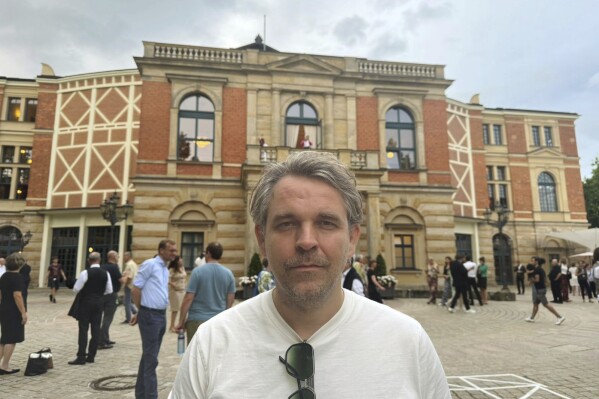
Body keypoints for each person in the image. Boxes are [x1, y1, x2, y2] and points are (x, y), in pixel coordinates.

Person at [170, 151, 450, 398]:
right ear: (262, 238)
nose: (306, 241)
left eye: (326, 223)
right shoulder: (211, 343)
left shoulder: (407, 341)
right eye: (286, 223)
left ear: (352, 239)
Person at [131, 239, 178, 399]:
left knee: (148, 357)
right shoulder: (150, 264)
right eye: (171, 250)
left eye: (175, 250)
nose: (174, 253)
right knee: (151, 360)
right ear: (161, 251)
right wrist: (141, 310)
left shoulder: (164, 268)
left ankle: (141, 394)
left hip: (160, 315)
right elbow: (136, 289)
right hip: (150, 315)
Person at [176, 242, 235, 345]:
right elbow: (230, 299)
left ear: (208, 253)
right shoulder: (228, 273)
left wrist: (181, 321)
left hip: (197, 320)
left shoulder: (197, 272)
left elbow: (188, 298)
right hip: (218, 320)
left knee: (195, 355)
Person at [68, 252, 113, 365]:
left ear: (89, 260)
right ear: (99, 260)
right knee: (96, 329)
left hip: (86, 302)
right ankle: (91, 356)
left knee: (83, 329)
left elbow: (76, 289)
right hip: (98, 303)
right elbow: (109, 290)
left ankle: (81, 356)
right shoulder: (105, 273)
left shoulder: (85, 273)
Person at [0, 253, 27, 374]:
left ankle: (2, 364)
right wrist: (23, 312)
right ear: (20, 265)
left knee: (4, 338)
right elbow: (17, 296)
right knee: (11, 338)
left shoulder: (4, 276)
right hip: (13, 310)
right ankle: (4, 366)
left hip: (4, 308)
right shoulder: (18, 277)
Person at [524, 256, 565, 325]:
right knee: (535, 303)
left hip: (540, 289)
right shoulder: (540, 269)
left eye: (532, 261)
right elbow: (544, 279)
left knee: (546, 304)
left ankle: (559, 317)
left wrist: (531, 280)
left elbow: (537, 280)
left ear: (536, 262)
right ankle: (532, 318)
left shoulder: (537, 270)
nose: (531, 262)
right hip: (539, 289)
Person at [99, 250, 121, 349]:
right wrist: (127, 275)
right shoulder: (114, 267)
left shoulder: (102, 266)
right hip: (112, 295)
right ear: (113, 257)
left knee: (104, 318)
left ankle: (106, 338)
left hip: (102, 294)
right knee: (108, 318)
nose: (118, 257)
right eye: (117, 256)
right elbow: (121, 280)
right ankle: (102, 341)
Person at [168, 256, 187, 333]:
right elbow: (167, 279)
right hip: (175, 291)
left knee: (183, 308)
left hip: (182, 290)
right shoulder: (172, 270)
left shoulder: (182, 268)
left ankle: (180, 325)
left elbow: (184, 277)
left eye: (182, 261)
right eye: (179, 261)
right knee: (175, 309)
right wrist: (173, 285)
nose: (181, 262)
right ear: (176, 262)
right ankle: (171, 326)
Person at [120, 252, 138, 323]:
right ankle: (135, 312)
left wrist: (126, 284)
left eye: (125, 256)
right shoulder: (134, 264)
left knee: (126, 302)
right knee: (126, 301)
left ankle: (128, 318)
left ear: (129, 256)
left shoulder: (129, 265)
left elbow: (129, 276)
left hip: (129, 285)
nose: (124, 257)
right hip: (133, 285)